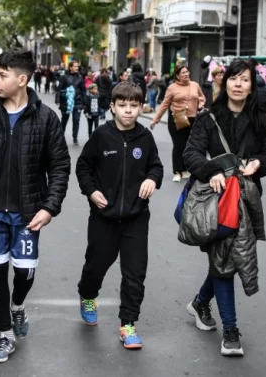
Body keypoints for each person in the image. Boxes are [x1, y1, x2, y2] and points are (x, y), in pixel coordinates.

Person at [0, 49, 71, 363]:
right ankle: (5, 333)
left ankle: (18, 305)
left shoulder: (46, 117)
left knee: (24, 273)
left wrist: (49, 207)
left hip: (28, 214)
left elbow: (60, 166)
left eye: (2, 75)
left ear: (22, 80)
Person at [182, 59, 266, 357]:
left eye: (244, 79)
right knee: (225, 259)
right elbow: (191, 153)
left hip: (246, 200)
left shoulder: (261, 118)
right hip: (216, 200)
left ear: (252, 86)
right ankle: (231, 331)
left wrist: (260, 163)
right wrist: (211, 172)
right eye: (233, 78)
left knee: (227, 259)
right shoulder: (210, 117)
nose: (238, 84)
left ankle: (200, 302)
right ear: (224, 83)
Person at [76, 81, 163, 350]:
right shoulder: (102, 136)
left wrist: (152, 179)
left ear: (140, 107)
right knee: (96, 265)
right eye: (123, 106)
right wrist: (91, 192)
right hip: (104, 216)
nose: (128, 111)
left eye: (134, 106)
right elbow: (83, 167)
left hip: (136, 218)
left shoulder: (145, 138)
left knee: (135, 272)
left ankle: (128, 324)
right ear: (112, 106)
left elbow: (156, 167)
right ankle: (87, 294)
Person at [150, 64, 205, 182]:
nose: (186, 74)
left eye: (187, 72)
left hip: (192, 119)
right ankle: (177, 171)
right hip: (177, 119)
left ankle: (185, 169)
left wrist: (200, 104)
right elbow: (165, 104)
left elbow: (202, 97)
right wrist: (156, 119)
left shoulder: (195, 85)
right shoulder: (172, 88)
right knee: (178, 145)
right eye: (183, 73)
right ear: (177, 76)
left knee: (188, 145)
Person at [58, 59, 86, 145]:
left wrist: (84, 101)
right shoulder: (64, 77)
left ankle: (75, 137)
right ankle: (61, 136)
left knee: (76, 120)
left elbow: (83, 90)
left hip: (77, 101)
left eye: (77, 66)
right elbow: (59, 89)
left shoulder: (80, 77)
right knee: (64, 119)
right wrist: (58, 100)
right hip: (66, 102)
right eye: (75, 66)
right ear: (70, 67)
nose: (77, 68)